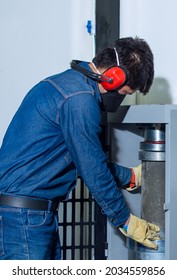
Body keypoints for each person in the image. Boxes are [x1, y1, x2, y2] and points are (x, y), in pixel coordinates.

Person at [0, 36, 160, 260]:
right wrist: (125, 220)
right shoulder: (80, 101)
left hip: (31, 216)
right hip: (25, 220)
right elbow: (92, 169)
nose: (120, 101)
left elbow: (78, 157)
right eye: (125, 94)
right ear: (113, 79)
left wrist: (129, 176)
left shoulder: (65, 85)